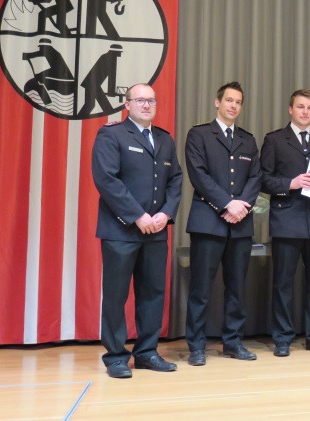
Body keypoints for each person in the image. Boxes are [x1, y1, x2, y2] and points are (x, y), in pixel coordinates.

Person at [91, 83, 183, 378]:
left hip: (156, 231)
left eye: (151, 101)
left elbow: (175, 180)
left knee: (153, 294)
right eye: (140, 100)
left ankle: (147, 353)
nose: (146, 105)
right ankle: (116, 356)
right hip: (121, 231)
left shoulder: (164, 139)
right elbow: (107, 179)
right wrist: (137, 216)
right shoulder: (112, 134)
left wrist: (166, 213)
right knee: (116, 296)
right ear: (127, 104)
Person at [260, 89, 310, 357]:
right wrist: (290, 183)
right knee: (283, 283)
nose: (305, 112)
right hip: (286, 220)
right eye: (300, 107)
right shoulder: (274, 139)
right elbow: (263, 180)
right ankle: (283, 338)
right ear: (290, 109)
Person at [184, 82, 262, 366]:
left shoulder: (247, 140)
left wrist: (241, 206)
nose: (233, 106)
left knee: (237, 288)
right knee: (201, 288)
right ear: (217, 102)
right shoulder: (199, 134)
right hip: (208, 222)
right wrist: (227, 203)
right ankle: (196, 346)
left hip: (240, 223)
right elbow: (198, 175)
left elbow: (255, 177)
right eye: (229, 100)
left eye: (238, 102)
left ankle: (233, 342)